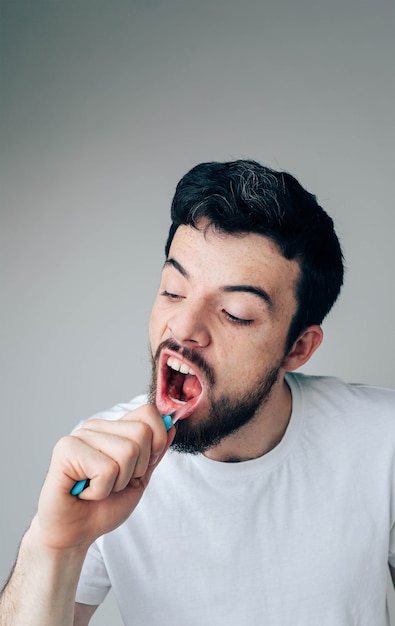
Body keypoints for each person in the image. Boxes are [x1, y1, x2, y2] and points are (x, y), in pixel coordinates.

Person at [1, 159, 394, 626]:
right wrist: (53, 546)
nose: (184, 327)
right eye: (173, 290)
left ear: (299, 347)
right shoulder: (104, 463)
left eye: (235, 312)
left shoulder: (383, 440)